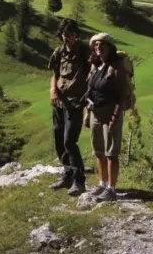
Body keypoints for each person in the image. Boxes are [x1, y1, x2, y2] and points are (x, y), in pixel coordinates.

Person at [85, 32, 130, 202]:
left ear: (110, 47)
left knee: (111, 153)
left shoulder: (115, 66)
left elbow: (121, 95)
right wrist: (87, 113)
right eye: (95, 45)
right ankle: (102, 184)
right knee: (99, 151)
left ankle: (112, 189)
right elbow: (89, 91)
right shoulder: (95, 66)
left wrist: (115, 117)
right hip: (95, 112)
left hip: (111, 113)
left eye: (101, 45)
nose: (98, 48)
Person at [48, 18, 90, 195]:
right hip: (59, 102)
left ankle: (79, 181)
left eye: (72, 34)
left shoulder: (84, 51)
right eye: (66, 34)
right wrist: (53, 91)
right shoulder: (59, 52)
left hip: (75, 103)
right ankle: (67, 175)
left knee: (69, 141)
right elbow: (55, 74)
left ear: (76, 34)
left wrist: (89, 104)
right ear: (61, 35)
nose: (69, 38)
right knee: (59, 138)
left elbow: (93, 73)